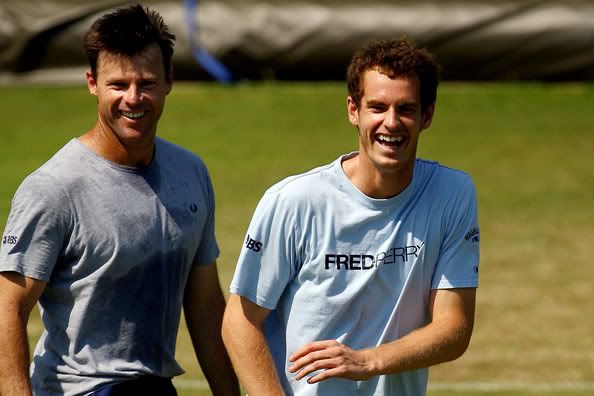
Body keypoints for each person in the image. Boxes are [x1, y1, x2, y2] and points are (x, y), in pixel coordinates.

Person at [0, 5, 238, 396]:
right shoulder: (53, 188)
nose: (133, 98)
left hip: (155, 388)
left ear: (169, 81)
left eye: (146, 82)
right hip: (80, 389)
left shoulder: (190, 172)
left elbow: (206, 305)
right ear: (92, 82)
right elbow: (8, 307)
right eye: (118, 84)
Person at [222, 37, 480, 395]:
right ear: (353, 111)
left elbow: (454, 328)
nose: (391, 123)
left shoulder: (452, 194)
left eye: (406, 109)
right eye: (377, 107)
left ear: (427, 115)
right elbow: (240, 320)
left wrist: (368, 361)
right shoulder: (294, 200)